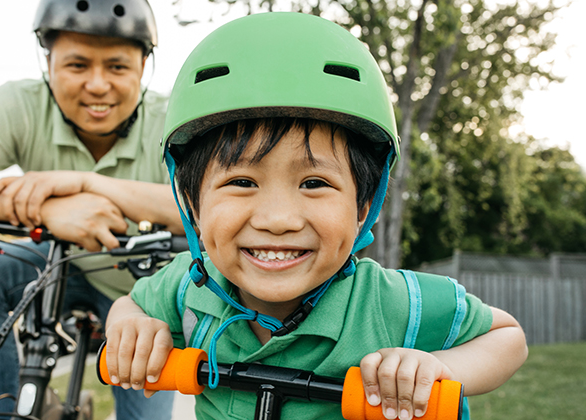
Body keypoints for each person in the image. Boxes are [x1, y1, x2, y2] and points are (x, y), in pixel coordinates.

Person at [103, 11, 528, 420]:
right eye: (242, 183)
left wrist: (440, 370)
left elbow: (506, 337)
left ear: (364, 205)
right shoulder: (189, 289)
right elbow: (130, 304)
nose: (278, 219)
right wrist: (133, 327)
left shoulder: (388, 304)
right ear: (191, 204)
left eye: (314, 184)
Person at [0, 0, 181, 419]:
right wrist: (50, 210)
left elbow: (210, 206)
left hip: (140, 285)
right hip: (51, 263)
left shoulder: (172, 119)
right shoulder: (19, 104)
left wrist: (92, 185)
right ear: (48, 62)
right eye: (77, 65)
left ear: (145, 65)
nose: (97, 85)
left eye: (117, 67)